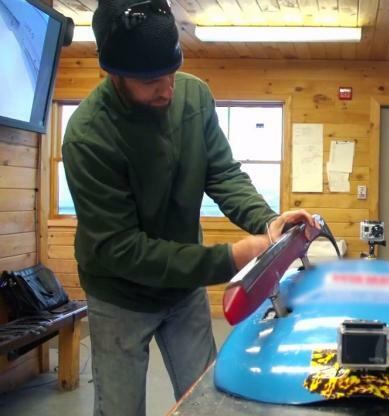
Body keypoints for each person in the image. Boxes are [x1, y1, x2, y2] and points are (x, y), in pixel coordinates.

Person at [62, 1, 317, 415]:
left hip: (183, 291)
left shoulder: (193, 96)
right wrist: (229, 258)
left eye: (171, 73)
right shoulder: (88, 137)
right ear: (114, 75)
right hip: (119, 295)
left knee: (208, 404)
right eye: (150, 81)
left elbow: (223, 174)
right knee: (121, 409)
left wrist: (267, 222)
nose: (166, 89)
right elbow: (122, 249)